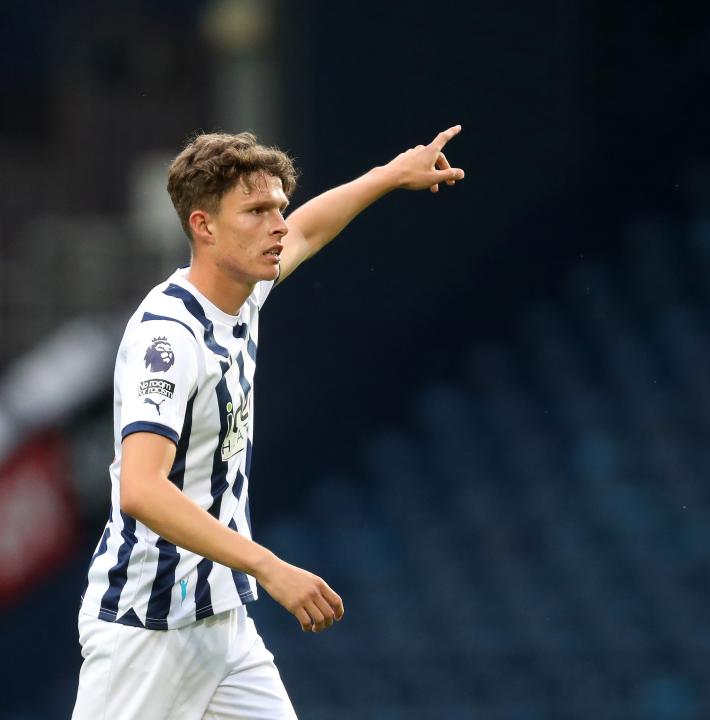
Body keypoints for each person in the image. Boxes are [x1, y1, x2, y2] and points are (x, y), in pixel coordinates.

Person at [72, 126, 465, 719]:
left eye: (277, 206)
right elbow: (141, 489)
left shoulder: (242, 293)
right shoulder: (170, 338)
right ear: (203, 226)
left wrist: (390, 174)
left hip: (220, 624)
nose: (278, 224)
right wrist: (269, 566)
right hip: (147, 625)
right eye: (256, 211)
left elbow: (310, 227)